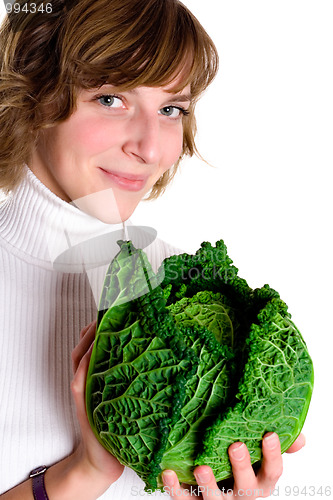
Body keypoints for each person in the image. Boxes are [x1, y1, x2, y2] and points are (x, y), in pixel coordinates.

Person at [0, 0, 305, 498]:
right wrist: (85, 471)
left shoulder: (188, 286)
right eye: (111, 98)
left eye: (170, 109)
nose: (150, 148)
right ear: (34, 94)